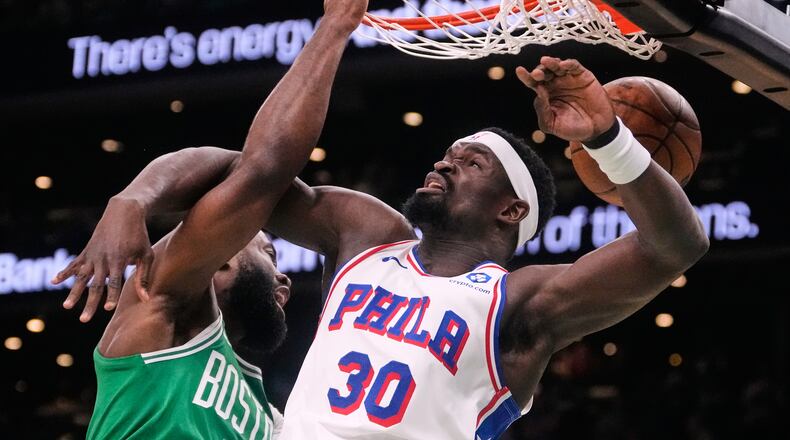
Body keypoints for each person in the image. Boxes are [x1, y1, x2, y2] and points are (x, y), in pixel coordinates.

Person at [64, 56, 709, 439]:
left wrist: (607, 138)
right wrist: (132, 202)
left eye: (472, 162)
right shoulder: (368, 237)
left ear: (511, 210)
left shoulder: (521, 304)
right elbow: (248, 171)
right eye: (450, 153)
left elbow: (673, 247)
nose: (446, 162)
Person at [51, 0, 368, 438]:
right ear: (222, 261)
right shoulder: (159, 306)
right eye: (269, 251)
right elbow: (261, 169)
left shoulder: (271, 419)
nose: (285, 279)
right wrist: (132, 201)